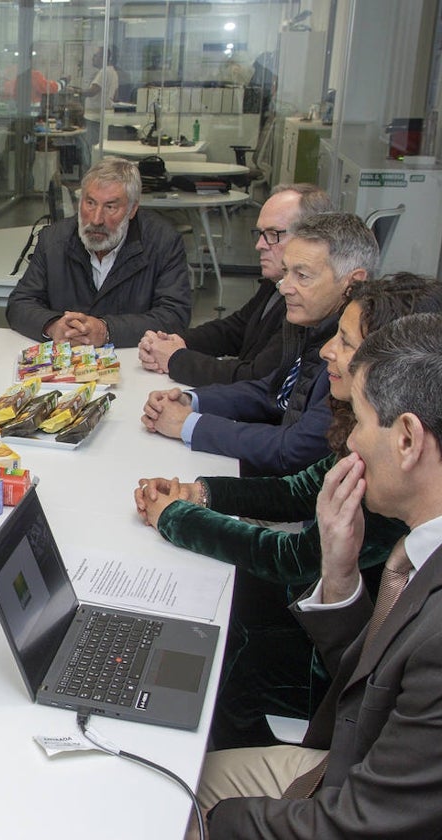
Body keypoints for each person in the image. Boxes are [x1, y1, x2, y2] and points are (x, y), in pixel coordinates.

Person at [135, 274, 442, 748]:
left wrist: (176, 517)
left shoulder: (394, 475)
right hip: (331, 624)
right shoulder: (367, 429)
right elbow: (298, 491)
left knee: (211, 635)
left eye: (345, 341)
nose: (327, 351)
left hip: (327, 656)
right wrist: (199, 493)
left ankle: (241, 758)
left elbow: (294, 558)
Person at [194, 312, 442, 839]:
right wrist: (339, 568)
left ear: (407, 439)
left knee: (166, 798)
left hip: (352, 797)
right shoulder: (419, 544)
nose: (350, 443)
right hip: (355, 769)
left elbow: (359, 824)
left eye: (360, 420)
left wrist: (212, 824)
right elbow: (377, 679)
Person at [142, 212, 378, 477]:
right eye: (287, 272)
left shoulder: (357, 355)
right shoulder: (314, 324)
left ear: (354, 282)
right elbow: (272, 392)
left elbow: (295, 448)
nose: (284, 287)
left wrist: (188, 424)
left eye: (302, 276)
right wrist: (192, 400)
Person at [138, 184, 334, 386]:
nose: (259, 245)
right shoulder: (275, 282)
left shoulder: (306, 304)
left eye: (273, 234)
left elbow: (256, 377)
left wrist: (175, 359)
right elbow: (236, 329)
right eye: (260, 233)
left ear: (311, 239)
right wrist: (177, 342)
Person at [6, 156, 192, 348]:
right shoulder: (53, 239)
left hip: (133, 363)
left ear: (132, 209)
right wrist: (53, 326)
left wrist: (106, 331)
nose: (96, 219)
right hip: (66, 365)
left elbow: (175, 316)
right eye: (90, 203)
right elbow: (20, 303)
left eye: (110, 207)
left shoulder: (163, 243)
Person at [82, 46, 118, 145]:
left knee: (92, 149)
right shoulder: (113, 72)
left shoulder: (104, 72)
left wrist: (76, 92)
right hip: (103, 117)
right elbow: (115, 96)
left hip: (95, 119)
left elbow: (92, 91)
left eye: (95, 56)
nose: (93, 58)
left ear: (103, 57)